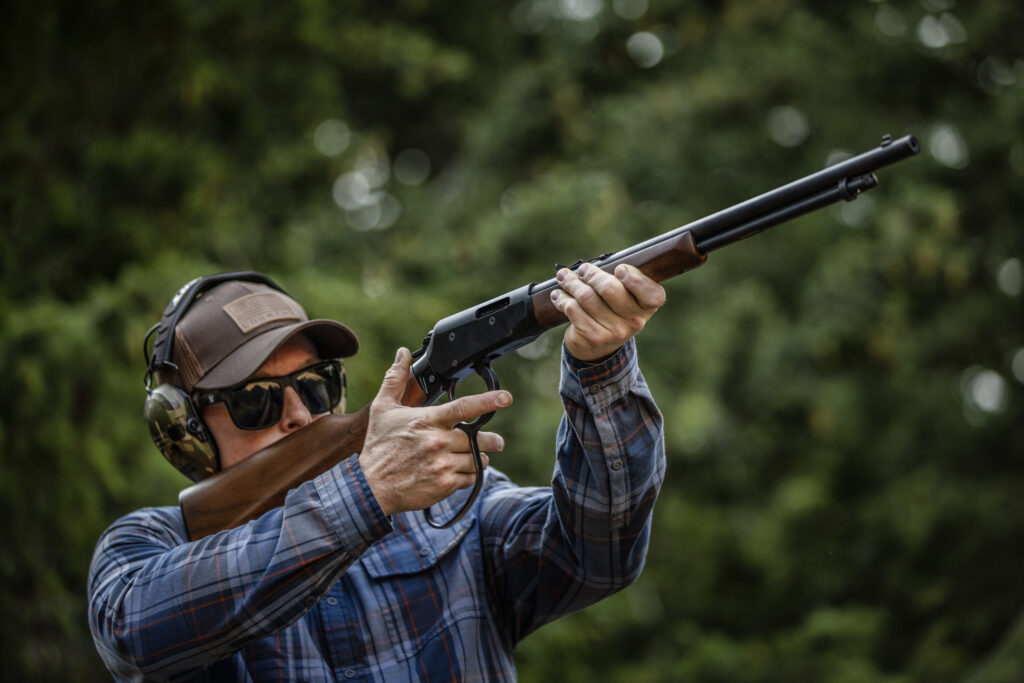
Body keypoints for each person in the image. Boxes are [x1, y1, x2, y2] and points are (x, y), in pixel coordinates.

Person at [88, 263, 667, 681]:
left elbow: (599, 556)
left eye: (317, 386)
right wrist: (366, 493)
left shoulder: (444, 506)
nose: (299, 414)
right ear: (184, 432)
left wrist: (601, 367)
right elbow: (134, 632)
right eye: (254, 400)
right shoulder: (148, 544)